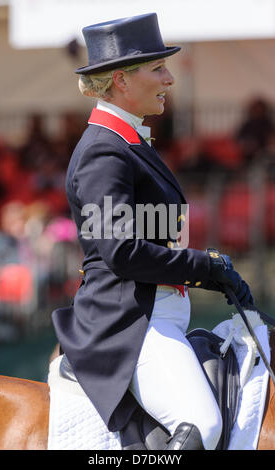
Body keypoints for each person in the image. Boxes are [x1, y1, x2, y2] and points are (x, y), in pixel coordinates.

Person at [52, 13, 253, 450]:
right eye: (158, 68)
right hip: (128, 324)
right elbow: (123, 252)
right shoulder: (103, 152)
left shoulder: (130, 143)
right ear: (122, 80)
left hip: (157, 316)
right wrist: (205, 267)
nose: (169, 79)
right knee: (203, 422)